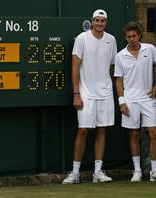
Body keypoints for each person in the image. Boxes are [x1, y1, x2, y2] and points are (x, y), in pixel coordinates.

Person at [62, 9, 117, 184]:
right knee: (83, 130)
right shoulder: (81, 39)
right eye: (97, 20)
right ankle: (75, 173)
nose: (100, 23)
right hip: (85, 93)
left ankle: (98, 172)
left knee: (102, 130)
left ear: (106, 23)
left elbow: (112, 66)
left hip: (105, 93)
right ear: (92, 22)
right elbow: (75, 67)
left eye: (103, 21)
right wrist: (76, 93)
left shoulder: (112, 40)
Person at [114, 21, 156, 183]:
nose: (132, 39)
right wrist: (122, 101)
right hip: (130, 100)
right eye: (129, 36)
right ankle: (137, 170)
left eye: (134, 36)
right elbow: (118, 81)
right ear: (126, 37)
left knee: (154, 133)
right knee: (134, 133)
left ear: (139, 35)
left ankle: (154, 171)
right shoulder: (120, 55)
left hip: (148, 98)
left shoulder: (149, 49)